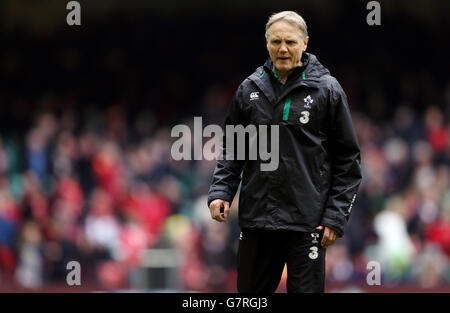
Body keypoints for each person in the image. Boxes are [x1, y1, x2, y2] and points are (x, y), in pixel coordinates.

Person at [207, 11, 362, 293]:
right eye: (275, 41)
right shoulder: (249, 89)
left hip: (308, 225)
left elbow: (348, 160)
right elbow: (234, 149)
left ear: (305, 43)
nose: (283, 48)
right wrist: (221, 191)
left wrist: (335, 218)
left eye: (290, 41)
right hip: (257, 221)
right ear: (266, 43)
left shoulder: (327, 90)